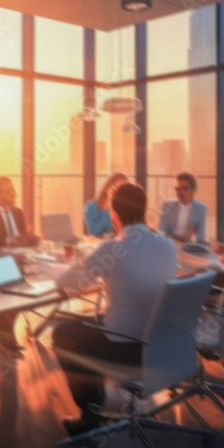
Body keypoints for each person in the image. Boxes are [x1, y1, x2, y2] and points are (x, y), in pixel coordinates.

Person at [53, 183, 178, 435]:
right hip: (164, 345)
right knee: (93, 321)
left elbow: (66, 283)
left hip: (128, 349)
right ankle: (94, 406)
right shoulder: (168, 247)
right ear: (144, 212)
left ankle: (90, 413)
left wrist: (82, 262)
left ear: (113, 214)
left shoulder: (111, 249)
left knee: (63, 333)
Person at [0, 176, 36, 353]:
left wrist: (29, 239)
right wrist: (12, 243)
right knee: (17, 287)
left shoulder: (18, 212)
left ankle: (1, 329)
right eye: (9, 191)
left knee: (33, 283)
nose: (14, 193)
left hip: (20, 259)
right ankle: (4, 331)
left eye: (13, 189)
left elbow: (22, 240)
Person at [158, 172, 208, 243]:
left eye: (184, 188)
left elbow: (201, 239)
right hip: (169, 246)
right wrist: (181, 239)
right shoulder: (167, 205)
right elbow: (161, 233)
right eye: (177, 189)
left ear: (193, 190)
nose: (180, 192)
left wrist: (190, 241)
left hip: (188, 248)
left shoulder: (201, 208)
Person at [83, 173, 128, 238]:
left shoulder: (124, 207)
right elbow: (95, 232)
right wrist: (109, 208)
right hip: (99, 243)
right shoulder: (91, 206)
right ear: (110, 188)